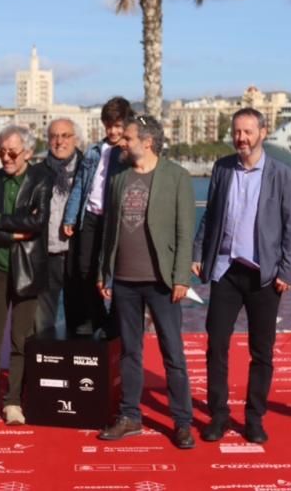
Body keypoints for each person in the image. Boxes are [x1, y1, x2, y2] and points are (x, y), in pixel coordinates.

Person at [192, 107, 291, 445]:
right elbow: (210, 215)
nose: (241, 138)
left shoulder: (282, 174)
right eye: (237, 132)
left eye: (248, 132)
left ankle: (254, 418)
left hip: (263, 275)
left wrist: (287, 270)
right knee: (217, 346)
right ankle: (219, 415)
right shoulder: (223, 168)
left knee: (262, 352)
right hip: (225, 270)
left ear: (262, 133)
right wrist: (198, 253)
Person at [96, 115, 196, 450]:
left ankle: (182, 422)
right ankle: (130, 417)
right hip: (124, 281)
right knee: (129, 353)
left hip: (162, 282)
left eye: (128, 138)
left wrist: (181, 276)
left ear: (147, 141)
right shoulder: (119, 179)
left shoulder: (178, 177)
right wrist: (103, 272)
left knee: (173, 354)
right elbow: (109, 231)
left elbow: (186, 232)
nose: (122, 143)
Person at [0, 125, 52, 430]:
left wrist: (0, 219)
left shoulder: (42, 178)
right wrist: (14, 233)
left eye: (12, 152)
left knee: (21, 339)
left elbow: (38, 221)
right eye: (1, 151)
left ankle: (14, 401)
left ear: (27, 152)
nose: (6, 157)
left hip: (27, 269)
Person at [62, 96, 133, 336]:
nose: (113, 131)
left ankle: (115, 324)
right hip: (90, 216)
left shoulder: (129, 152)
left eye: (118, 126)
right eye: (109, 126)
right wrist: (70, 217)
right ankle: (99, 319)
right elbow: (80, 186)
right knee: (85, 270)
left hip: (115, 221)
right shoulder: (94, 151)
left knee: (114, 273)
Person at [34, 117, 83, 337]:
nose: (59, 141)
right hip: (46, 255)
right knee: (42, 324)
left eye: (65, 135)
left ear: (76, 140)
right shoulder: (36, 173)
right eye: (53, 136)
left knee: (81, 323)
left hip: (78, 256)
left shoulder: (89, 169)